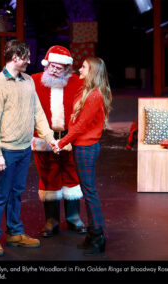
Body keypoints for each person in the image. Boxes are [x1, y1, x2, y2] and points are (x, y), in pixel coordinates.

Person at [0, 40, 55, 257]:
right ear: (15, 57)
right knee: (0, 194)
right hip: (6, 150)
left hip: (25, 148)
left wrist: (50, 138)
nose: (29, 61)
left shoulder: (28, 81)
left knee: (16, 193)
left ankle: (15, 232)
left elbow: (38, 112)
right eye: (26, 57)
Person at [54, 57, 112, 255]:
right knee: (88, 191)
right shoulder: (87, 91)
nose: (80, 69)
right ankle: (93, 233)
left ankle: (98, 236)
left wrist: (61, 143)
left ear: (92, 72)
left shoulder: (94, 95)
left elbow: (81, 126)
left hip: (86, 148)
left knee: (89, 192)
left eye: (84, 67)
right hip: (82, 146)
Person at [31, 45, 86, 238]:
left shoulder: (78, 83)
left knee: (73, 177)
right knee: (48, 178)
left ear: (67, 69)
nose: (54, 70)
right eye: (52, 66)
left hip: (69, 137)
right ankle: (51, 222)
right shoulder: (35, 81)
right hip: (43, 139)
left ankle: (73, 219)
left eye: (59, 67)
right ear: (46, 65)